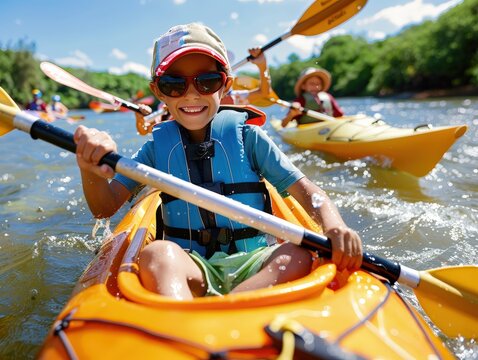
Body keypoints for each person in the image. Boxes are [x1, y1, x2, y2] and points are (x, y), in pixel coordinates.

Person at [73, 23, 362, 300]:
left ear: (225, 86)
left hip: (255, 262)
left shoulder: (250, 138)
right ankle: (187, 321)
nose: (191, 94)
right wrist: (91, 169)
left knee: (298, 253)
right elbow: (104, 208)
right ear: (158, 91)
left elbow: (308, 191)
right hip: (189, 265)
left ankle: (231, 306)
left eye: (207, 81)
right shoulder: (154, 151)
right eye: (174, 84)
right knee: (157, 255)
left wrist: (333, 226)